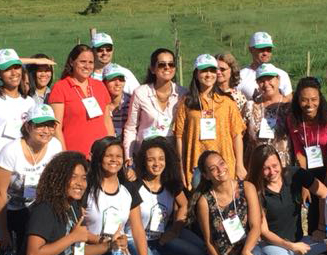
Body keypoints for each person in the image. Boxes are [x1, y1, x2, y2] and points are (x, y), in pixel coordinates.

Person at [86, 137, 159, 255]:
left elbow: (137, 229)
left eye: (118, 156)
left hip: (117, 250)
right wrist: (102, 242)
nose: (114, 160)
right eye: (108, 155)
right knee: (116, 253)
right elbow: (75, 229)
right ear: (98, 157)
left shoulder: (128, 187)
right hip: (88, 249)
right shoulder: (86, 186)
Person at [127, 137, 208, 255]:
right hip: (140, 241)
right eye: (151, 159)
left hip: (164, 238)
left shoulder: (170, 183)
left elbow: (184, 205)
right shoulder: (135, 185)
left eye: (161, 159)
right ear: (144, 162)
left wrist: (175, 229)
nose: (157, 164)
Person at [248, 144, 327, 255]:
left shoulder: (294, 174)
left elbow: (324, 194)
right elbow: (264, 232)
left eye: (275, 165)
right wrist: (291, 246)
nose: (272, 172)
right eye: (266, 168)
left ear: (281, 162)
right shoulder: (256, 190)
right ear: (258, 170)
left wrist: (322, 228)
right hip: (271, 245)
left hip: (298, 240)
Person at [192, 151, 263, 255]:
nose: (220, 169)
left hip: (245, 250)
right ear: (206, 175)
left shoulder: (247, 187)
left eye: (222, 163)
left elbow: (256, 226)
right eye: (213, 168)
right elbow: (209, 242)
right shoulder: (205, 201)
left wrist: (245, 251)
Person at [0, 104, 64, 255]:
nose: (46, 131)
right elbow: (0, 192)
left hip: (33, 207)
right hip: (5, 208)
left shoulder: (55, 147)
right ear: (28, 126)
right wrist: (3, 230)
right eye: (40, 126)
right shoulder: (11, 151)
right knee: (6, 252)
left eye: (50, 126)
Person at [174, 54, 245, 184]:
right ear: (196, 74)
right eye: (204, 71)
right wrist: (181, 167)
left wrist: (240, 165)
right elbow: (179, 136)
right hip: (196, 165)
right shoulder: (186, 102)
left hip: (225, 163)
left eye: (212, 70)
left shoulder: (227, 102)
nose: (208, 74)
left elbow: (237, 135)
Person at [284, 76, 327, 235]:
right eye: (304, 100)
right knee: (312, 208)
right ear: (297, 100)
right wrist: (305, 184)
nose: (309, 105)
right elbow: (299, 152)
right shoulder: (293, 119)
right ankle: (315, 240)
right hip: (307, 169)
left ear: (320, 98)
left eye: (314, 99)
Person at [48, 44, 114, 157]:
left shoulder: (100, 86)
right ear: (72, 62)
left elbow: (107, 122)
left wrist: (113, 149)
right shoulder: (61, 88)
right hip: (75, 155)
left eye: (90, 62)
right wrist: (64, 156)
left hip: (101, 155)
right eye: (83, 61)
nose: (87, 66)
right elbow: (56, 128)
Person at [122, 48, 185, 162]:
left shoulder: (183, 94)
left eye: (171, 64)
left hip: (172, 156)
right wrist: (128, 158)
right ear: (152, 69)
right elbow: (131, 128)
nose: (167, 67)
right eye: (162, 65)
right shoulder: (140, 93)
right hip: (145, 156)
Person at [242, 64, 291, 169]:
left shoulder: (289, 107)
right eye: (261, 81)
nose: (266, 84)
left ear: (278, 79)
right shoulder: (250, 106)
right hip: (256, 166)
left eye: (269, 79)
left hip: (282, 166)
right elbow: (240, 136)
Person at [237, 31, 292, 100]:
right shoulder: (241, 76)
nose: (265, 53)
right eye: (261, 49)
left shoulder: (282, 75)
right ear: (251, 50)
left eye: (269, 49)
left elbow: (288, 101)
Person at [101, 64, 132, 139]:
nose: (118, 83)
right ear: (104, 82)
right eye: (112, 80)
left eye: (121, 79)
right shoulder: (98, 103)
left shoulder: (132, 101)